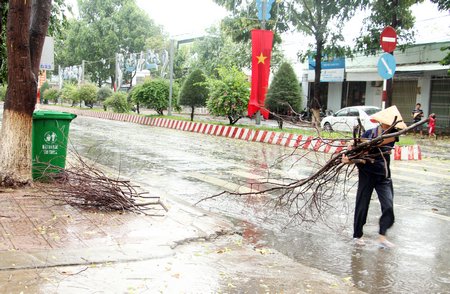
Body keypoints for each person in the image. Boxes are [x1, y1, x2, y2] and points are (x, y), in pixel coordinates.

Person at [342, 106, 407, 249]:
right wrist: (349, 152)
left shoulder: (392, 135)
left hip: (383, 176)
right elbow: (354, 147)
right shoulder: (369, 133)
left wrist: (364, 143)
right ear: (383, 123)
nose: (392, 127)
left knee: (388, 206)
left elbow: (380, 141)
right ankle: (357, 235)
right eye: (390, 124)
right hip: (367, 174)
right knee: (362, 205)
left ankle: (382, 237)